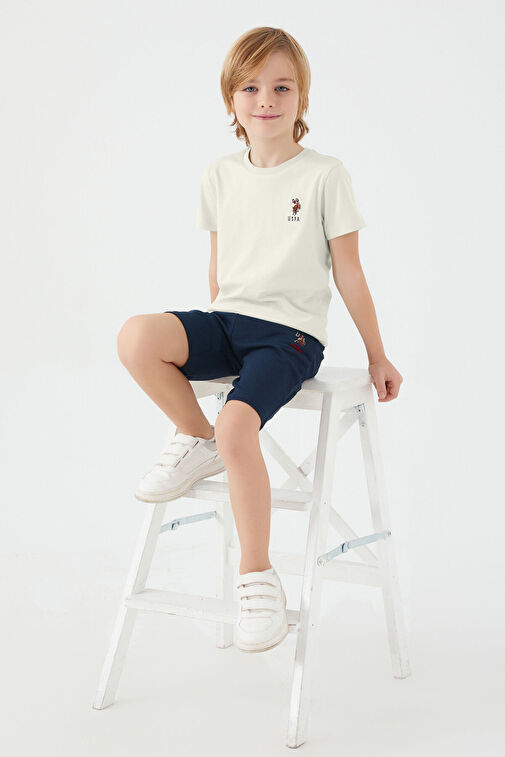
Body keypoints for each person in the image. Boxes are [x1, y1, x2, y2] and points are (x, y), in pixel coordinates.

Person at [117, 27, 403, 653]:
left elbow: (350, 273)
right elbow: (219, 264)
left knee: (238, 426)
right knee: (137, 336)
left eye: (281, 87)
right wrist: (212, 332)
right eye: (249, 88)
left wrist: (377, 354)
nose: (265, 100)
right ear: (231, 99)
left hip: (290, 336)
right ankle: (197, 437)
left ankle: (256, 577)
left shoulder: (325, 175)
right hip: (229, 321)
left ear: (302, 98)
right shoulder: (219, 174)